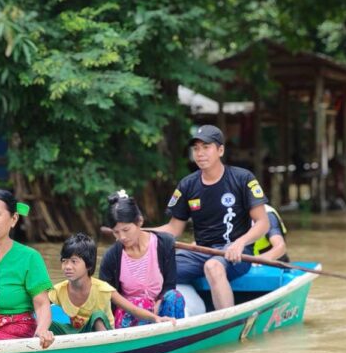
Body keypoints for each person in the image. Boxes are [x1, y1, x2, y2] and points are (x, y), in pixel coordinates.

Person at [151, 124, 270, 310]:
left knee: (213, 267)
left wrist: (240, 243)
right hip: (201, 252)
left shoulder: (243, 178)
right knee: (155, 267)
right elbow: (173, 229)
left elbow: (263, 223)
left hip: (237, 254)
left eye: (206, 147)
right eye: (196, 148)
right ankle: (160, 318)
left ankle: (226, 323)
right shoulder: (187, 185)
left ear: (220, 150)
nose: (200, 153)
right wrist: (139, 233)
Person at [49, 233, 174, 335]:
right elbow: (39, 303)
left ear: (88, 265)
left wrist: (156, 318)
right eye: (64, 261)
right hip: (77, 333)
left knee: (97, 316)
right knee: (47, 322)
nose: (67, 267)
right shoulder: (59, 290)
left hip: (104, 335)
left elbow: (132, 309)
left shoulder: (103, 289)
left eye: (74, 261)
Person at [0, 189, 55, 347]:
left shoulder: (29, 257)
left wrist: (41, 331)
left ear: (13, 219)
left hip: (15, 330)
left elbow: (41, 304)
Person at [99, 191, 185, 328]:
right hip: (129, 314)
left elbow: (169, 285)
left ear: (139, 221)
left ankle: (175, 337)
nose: (122, 237)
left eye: (126, 230)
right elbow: (106, 299)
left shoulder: (165, 243)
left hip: (159, 307)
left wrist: (158, 303)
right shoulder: (111, 257)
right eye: (116, 232)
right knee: (142, 303)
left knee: (174, 297)